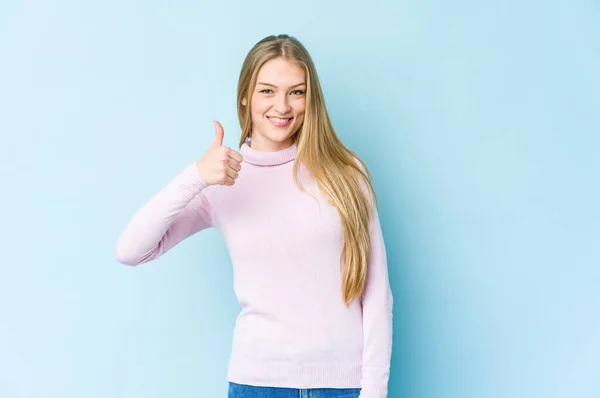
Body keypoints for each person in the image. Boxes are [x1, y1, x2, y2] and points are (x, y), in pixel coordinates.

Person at [115, 34, 393, 398]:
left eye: (296, 91)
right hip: (257, 385)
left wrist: (373, 390)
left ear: (311, 99)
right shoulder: (220, 181)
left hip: (342, 386)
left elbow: (376, 293)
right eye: (267, 91)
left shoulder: (345, 172)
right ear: (245, 96)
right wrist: (195, 176)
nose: (282, 105)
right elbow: (130, 250)